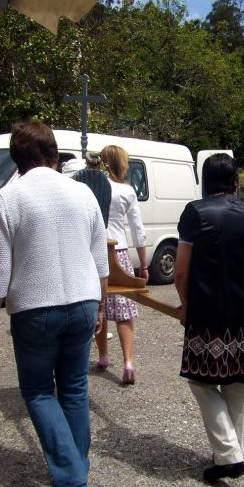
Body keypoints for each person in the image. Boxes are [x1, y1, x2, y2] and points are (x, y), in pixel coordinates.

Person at [0, 121, 109, 487]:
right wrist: (102, 304)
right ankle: (78, 464)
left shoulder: (6, 199)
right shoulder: (83, 193)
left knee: (39, 391)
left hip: (35, 309)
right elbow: (100, 258)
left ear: (16, 159)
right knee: (74, 387)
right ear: (54, 155)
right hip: (84, 301)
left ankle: (69, 471)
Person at [174, 153, 244, 483]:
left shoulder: (195, 213)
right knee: (237, 386)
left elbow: (180, 271)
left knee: (201, 380)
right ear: (235, 181)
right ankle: (229, 455)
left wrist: (185, 306)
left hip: (209, 313)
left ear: (205, 181)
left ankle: (229, 455)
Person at [93, 145, 148, 385]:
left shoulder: (92, 186)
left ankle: (104, 356)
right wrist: (143, 265)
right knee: (124, 312)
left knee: (99, 306)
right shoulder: (126, 191)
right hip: (120, 252)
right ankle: (128, 361)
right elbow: (138, 229)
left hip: (96, 250)